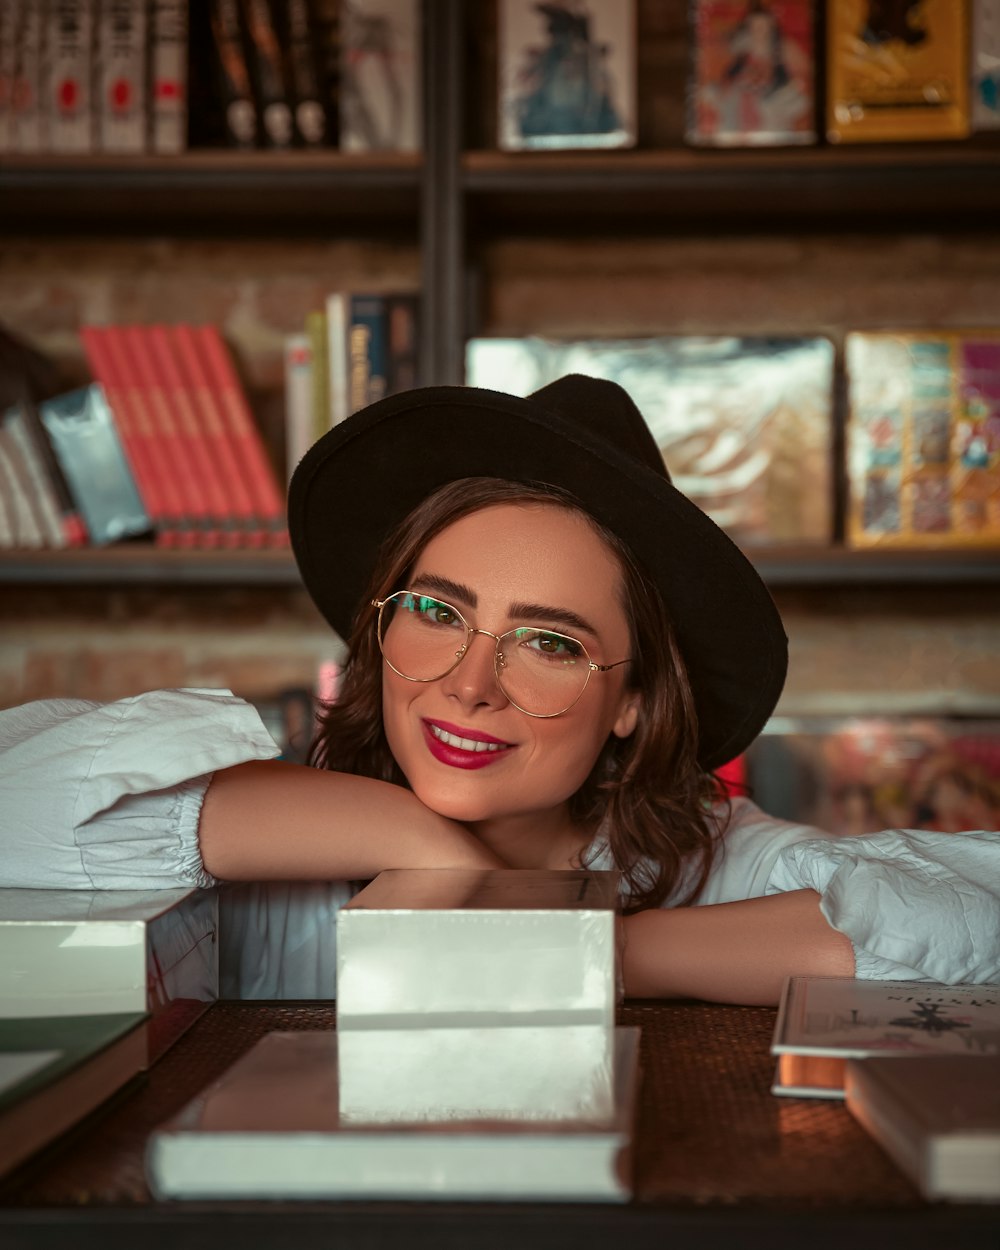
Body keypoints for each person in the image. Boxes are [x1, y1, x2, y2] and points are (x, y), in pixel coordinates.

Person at [2, 376, 998, 1004]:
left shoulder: (704, 861)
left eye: (548, 642)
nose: (470, 684)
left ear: (633, 699)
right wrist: (412, 840)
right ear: (380, 627)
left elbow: (962, 930)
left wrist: (592, 946)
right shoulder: (268, 839)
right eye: (436, 612)